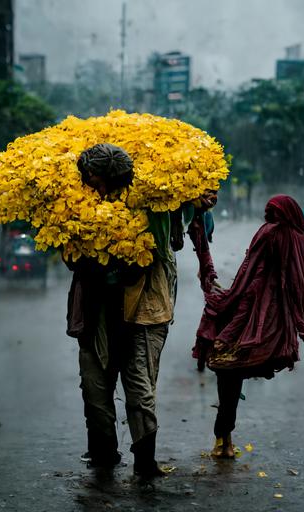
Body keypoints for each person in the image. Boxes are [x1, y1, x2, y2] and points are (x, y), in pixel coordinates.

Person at [65, 143, 179, 478]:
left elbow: (165, 248)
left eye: (99, 181)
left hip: (141, 314)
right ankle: (103, 453)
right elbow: (70, 258)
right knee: (94, 388)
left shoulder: (151, 207)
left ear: (117, 179)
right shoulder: (78, 206)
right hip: (95, 312)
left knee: (140, 390)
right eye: (90, 180)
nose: (95, 188)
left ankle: (145, 461)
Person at [192, 194, 304, 458]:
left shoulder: (270, 233)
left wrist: (230, 295)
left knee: (226, 368)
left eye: (269, 211)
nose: (266, 215)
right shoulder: (300, 239)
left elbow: (250, 271)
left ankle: (223, 440)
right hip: (276, 318)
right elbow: (296, 284)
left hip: (252, 308)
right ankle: (225, 440)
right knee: (232, 372)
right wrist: (298, 320)